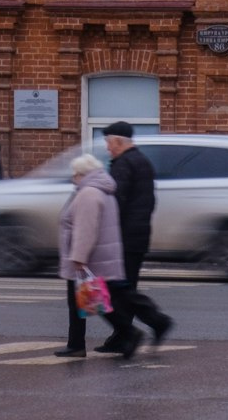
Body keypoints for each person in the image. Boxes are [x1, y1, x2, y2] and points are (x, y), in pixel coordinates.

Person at [97, 121, 172, 357]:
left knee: (114, 289)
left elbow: (115, 204)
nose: (108, 148)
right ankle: (122, 336)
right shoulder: (141, 161)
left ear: (119, 142)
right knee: (123, 287)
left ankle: (155, 322)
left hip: (122, 238)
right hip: (137, 236)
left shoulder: (123, 164)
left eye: (109, 143)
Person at [55, 153, 125, 358]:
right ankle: (124, 333)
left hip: (87, 259)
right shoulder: (102, 190)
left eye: (75, 174)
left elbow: (86, 229)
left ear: (83, 174)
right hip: (101, 256)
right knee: (95, 301)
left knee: (88, 302)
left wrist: (78, 257)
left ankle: (78, 344)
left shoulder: (88, 193)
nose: (72, 178)